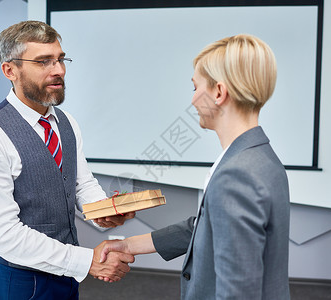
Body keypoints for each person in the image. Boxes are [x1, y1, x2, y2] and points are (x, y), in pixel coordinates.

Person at [97, 34, 291, 299]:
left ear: (219, 93)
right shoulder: (259, 157)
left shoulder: (237, 174)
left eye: (195, 88)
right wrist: (127, 244)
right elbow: (203, 227)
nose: (193, 100)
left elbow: (238, 290)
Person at [0, 20, 135, 299]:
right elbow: (5, 236)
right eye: (43, 62)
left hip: (65, 278)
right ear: (10, 70)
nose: (59, 70)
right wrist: (86, 260)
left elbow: (80, 184)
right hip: (19, 283)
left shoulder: (66, 122)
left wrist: (103, 212)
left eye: (61, 60)